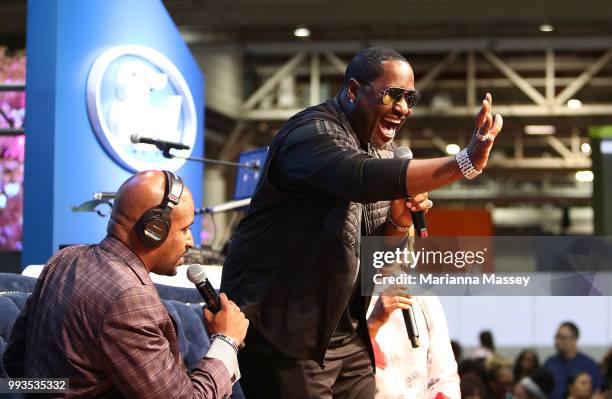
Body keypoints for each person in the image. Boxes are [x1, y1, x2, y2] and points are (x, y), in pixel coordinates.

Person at [221, 46, 503, 399]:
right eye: (392, 95)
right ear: (353, 90)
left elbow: (375, 258)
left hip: (345, 335)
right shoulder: (311, 134)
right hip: (286, 336)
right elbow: (357, 176)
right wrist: (464, 162)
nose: (403, 108)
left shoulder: (383, 148)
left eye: (410, 98)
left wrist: (400, 221)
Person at [3, 170, 249, 398]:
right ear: (154, 230)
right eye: (185, 229)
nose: (190, 242)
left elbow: (16, 362)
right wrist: (226, 341)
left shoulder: (65, 259)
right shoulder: (129, 299)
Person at [366, 287, 460, 399]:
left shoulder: (427, 299)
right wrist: (373, 324)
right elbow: (346, 361)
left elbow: (444, 377)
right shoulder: (348, 293)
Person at [544, 321, 602, 399]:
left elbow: (598, 392)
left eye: (562, 338)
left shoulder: (589, 365)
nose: (557, 342)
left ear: (574, 339)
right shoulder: (550, 363)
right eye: (556, 337)